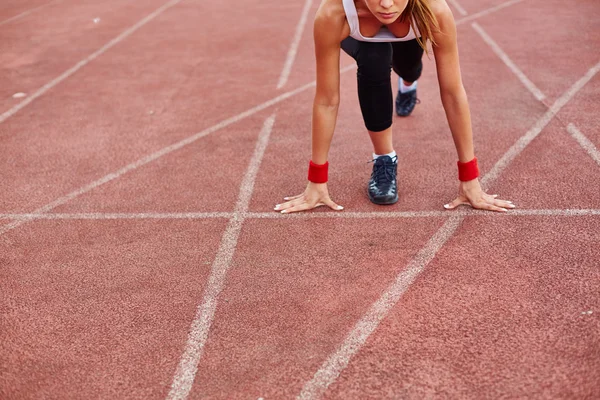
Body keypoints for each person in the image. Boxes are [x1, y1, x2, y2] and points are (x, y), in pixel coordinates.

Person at [274, 0, 514, 213]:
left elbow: (452, 93)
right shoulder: (334, 13)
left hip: (410, 27)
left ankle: (408, 81)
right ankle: (384, 158)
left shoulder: (435, 10)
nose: (386, 4)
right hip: (362, 35)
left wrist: (470, 179)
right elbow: (327, 100)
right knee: (375, 60)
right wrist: (316, 181)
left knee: (408, 67)